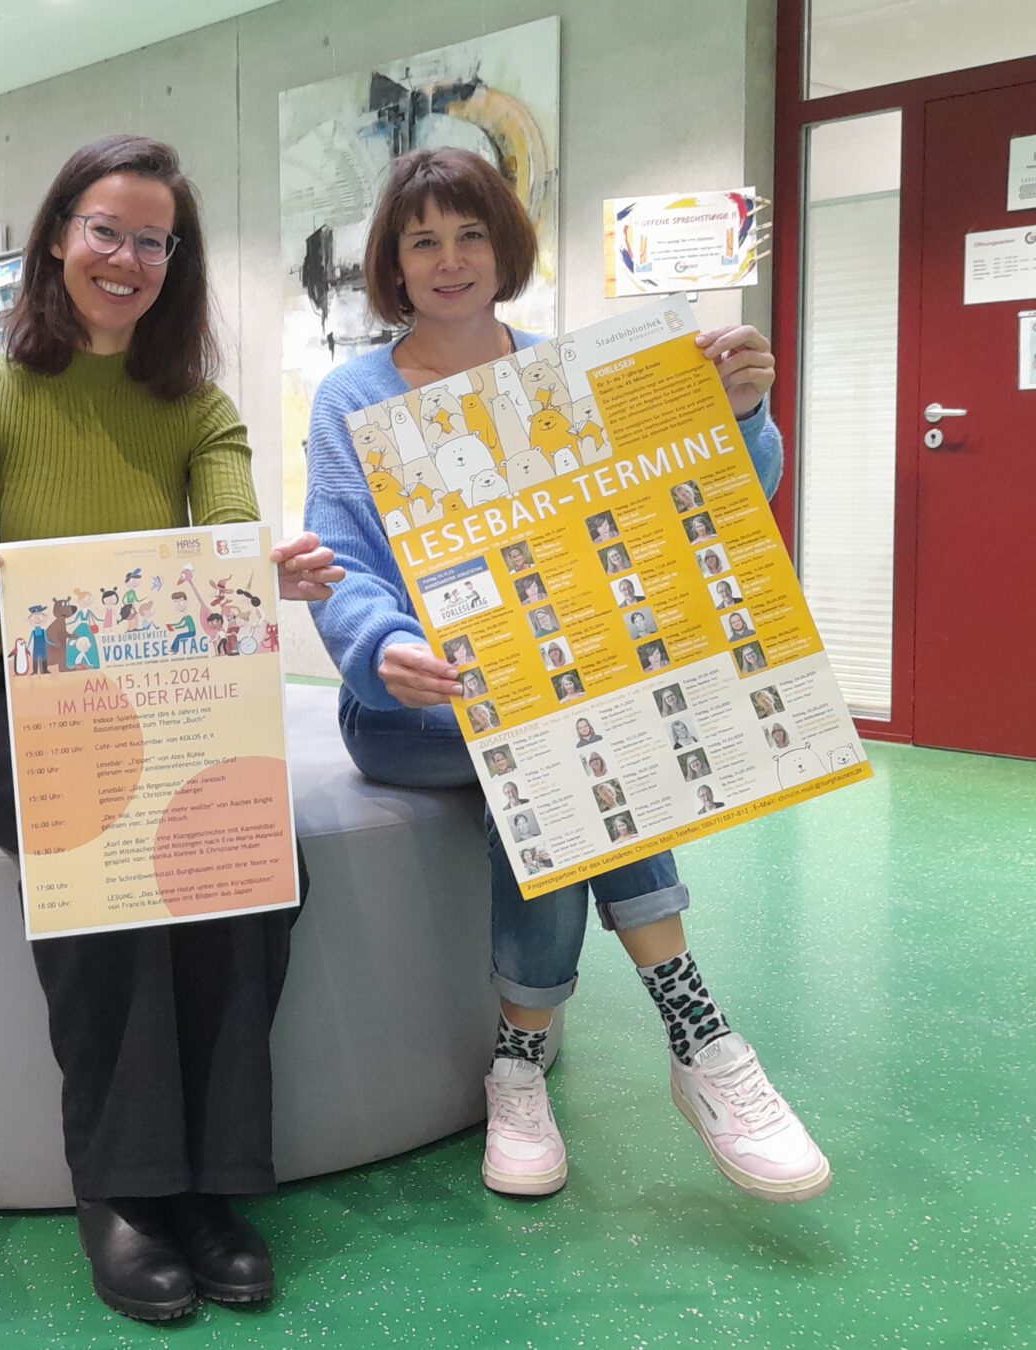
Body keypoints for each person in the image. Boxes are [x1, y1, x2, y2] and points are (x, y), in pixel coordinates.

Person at [304, 147, 826, 1210]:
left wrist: (739, 414)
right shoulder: (351, 396)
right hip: (416, 709)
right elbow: (341, 557)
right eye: (423, 241)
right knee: (560, 736)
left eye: (471, 235)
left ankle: (520, 1063)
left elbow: (706, 498)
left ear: (506, 248)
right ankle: (697, 1033)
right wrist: (376, 647)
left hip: (553, 689)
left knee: (554, 741)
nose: (451, 260)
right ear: (392, 266)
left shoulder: (561, 371)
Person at [0, 135, 341, 1322]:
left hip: (172, 697)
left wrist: (271, 570)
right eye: (108, 229)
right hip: (9, 707)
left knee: (262, 860)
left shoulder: (196, 407)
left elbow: (229, 546)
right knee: (105, 851)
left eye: (155, 240)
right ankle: (124, 1187)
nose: (129, 258)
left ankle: (213, 1180)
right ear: (59, 235)